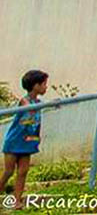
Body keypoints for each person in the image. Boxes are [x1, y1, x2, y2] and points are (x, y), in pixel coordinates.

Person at [1, 70, 48, 210]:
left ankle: (17, 200)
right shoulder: (25, 101)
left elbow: (37, 122)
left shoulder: (38, 102)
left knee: (23, 171)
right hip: (15, 140)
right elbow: (30, 110)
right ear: (35, 86)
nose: (46, 87)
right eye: (44, 84)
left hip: (27, 141)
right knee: (9, 171)